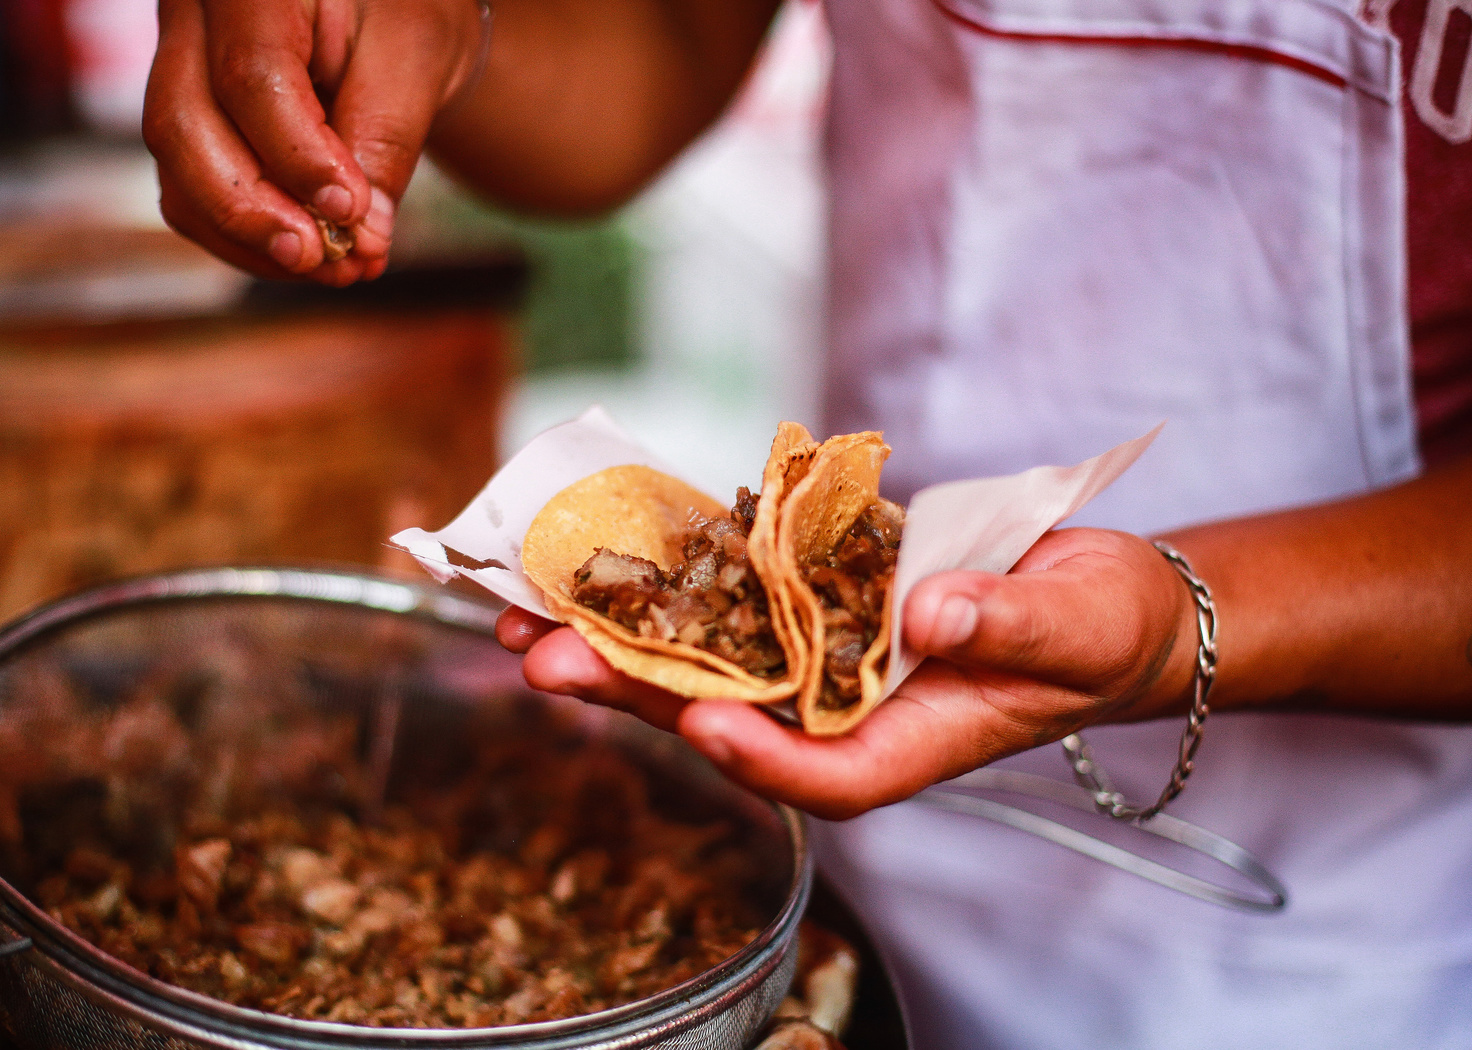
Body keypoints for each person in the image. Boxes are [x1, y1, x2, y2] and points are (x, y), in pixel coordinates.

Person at [144, 0, 1472, 1044]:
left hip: (1337, 936)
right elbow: (661, 45)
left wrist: (1172, 625)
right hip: (829, 871)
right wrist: (452, 32)